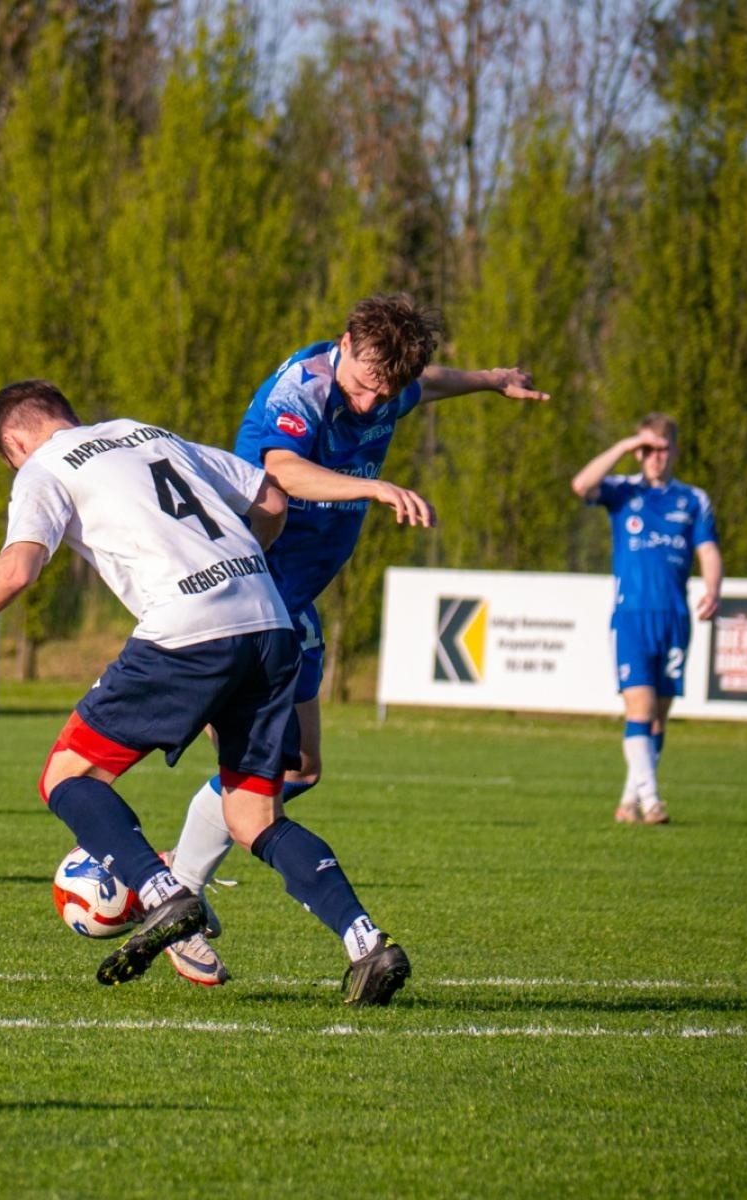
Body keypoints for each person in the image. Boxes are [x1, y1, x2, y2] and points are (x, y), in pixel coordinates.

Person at [0, 380, 410, 1005]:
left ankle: (161, 892)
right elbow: (269, 495)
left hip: (189, 629)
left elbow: (19, 567)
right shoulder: (145, 433)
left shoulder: (44, 466)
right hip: (268, 620)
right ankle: (367, 942)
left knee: (66, 775)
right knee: (253, 817)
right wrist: (240, 567)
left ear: (15, 443)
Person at [162, 293, 549, 981]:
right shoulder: (303, 390)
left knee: (300, 770)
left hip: (294, 601)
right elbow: (280, 470)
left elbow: (428, 385)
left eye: (386, 393)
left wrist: (492, 380)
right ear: (343, 343)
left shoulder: (389, 384)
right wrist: (372, 489)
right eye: (365, 384)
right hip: (247, 595)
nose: (371, 403)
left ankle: (174, 876)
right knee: (252, 783)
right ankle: (175, 895)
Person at [570, 412, 722, 824]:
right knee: (639, 708)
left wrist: (713, 589)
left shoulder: (693, 500)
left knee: (657, 719)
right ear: (639, 452)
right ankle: (652, 801)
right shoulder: (623, 492)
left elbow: (708, 550)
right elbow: (581, 485)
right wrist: (623, 446)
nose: (656, 457)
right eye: (648, 449)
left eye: (663, 449)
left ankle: (629, 802)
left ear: (675, 451)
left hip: (674, 617)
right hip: (631, 618)